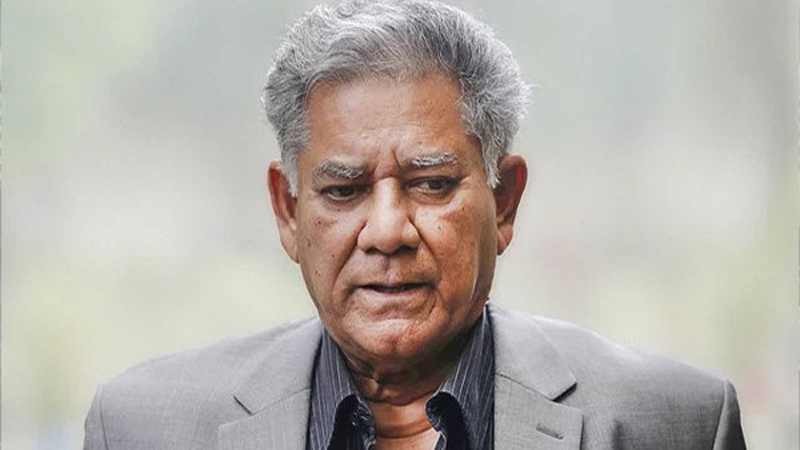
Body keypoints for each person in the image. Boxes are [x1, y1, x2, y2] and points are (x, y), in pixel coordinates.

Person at [83, 0, 746, 448]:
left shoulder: (673, 424)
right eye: (343, 190)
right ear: (288, 210)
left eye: (430, 184)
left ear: (504, 202)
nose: (387, 231)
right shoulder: (143, 430)